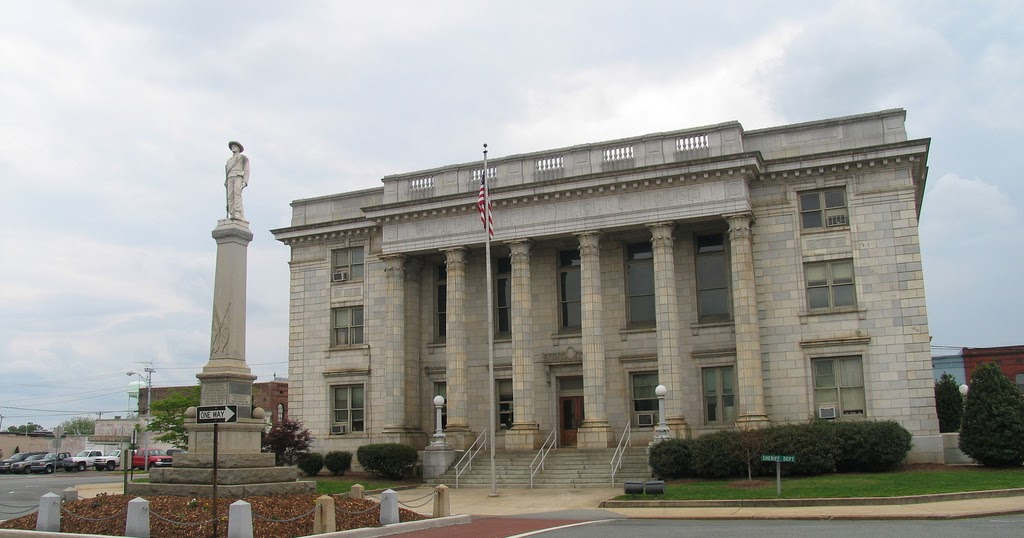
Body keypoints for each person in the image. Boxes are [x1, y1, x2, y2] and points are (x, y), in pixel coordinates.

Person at [225, 141, 250, 220]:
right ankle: (232, 213)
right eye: (232, 146)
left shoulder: (243, 158)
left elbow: (247, 170)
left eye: (235, 146)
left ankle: (237, 212)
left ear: (239, 148)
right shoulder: (229, 160)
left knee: (237, 194)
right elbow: (227, 171)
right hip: (230, 177)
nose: (233, 147)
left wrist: (245, 181)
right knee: (230, 196)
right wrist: (226, 180)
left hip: (238, 176)